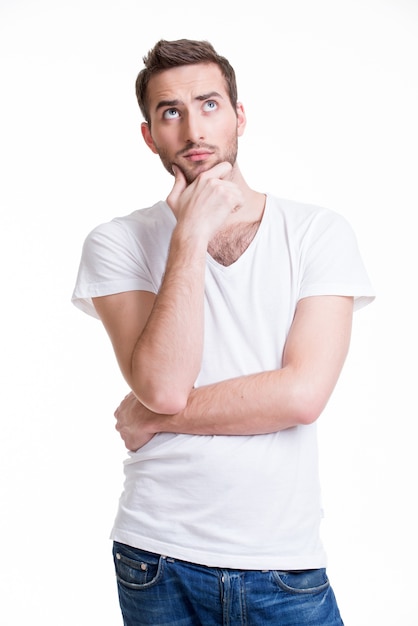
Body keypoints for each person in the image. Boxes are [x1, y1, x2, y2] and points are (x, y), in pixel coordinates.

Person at [72, 38, 375, 625]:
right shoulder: (116, 243)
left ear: (240, 116)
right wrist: (187, 239)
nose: (192, 130)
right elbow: (162, 386)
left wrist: (151, 418)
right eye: (170, 112)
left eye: (209, 105)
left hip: (282, 563)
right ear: (149, 136)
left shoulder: (318, 233)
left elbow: (301, 396)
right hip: (157, 556)